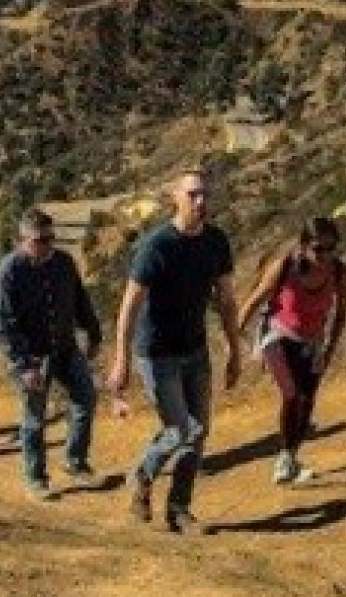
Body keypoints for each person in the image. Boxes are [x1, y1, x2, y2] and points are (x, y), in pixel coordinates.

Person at [108, 167, 241, 534]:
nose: (201, 202)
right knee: (180, 429)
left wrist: (234, 348)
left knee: (198, 433)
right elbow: (129, 305)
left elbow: (227, 301)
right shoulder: (157, 246)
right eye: (193, 195)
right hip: (157, 353)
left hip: (195, 350)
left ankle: (179, 509)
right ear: (176, 199)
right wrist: (120, 360)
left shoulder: (217, 242)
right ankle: (142, 474)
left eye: (205, 195)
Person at [0, 209, 103, 500]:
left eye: (51, 238)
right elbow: (3, 326)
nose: (48, 245)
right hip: (31, 357)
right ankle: (35, 477)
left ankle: (75, 460)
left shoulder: (64, 263)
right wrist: (24, 366)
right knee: (34, 417)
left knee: (85, 397)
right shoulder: (8, 272)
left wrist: (93, 332)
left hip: (64, 347)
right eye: (40, 240)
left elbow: (80, 298)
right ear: (23, 239)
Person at [237, 217, 346, 485]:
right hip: (276, 334)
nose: (324, 255)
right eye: (317, 249)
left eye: (330, 248)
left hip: (312, 340)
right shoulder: (285, 267)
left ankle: (288, 456)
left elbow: (341, 314)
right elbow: (252, 302)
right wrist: (236, 344)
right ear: (303, 247)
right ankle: (286, 461)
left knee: (307, 400)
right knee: (291, 394)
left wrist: (329, 350)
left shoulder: (340, 273)